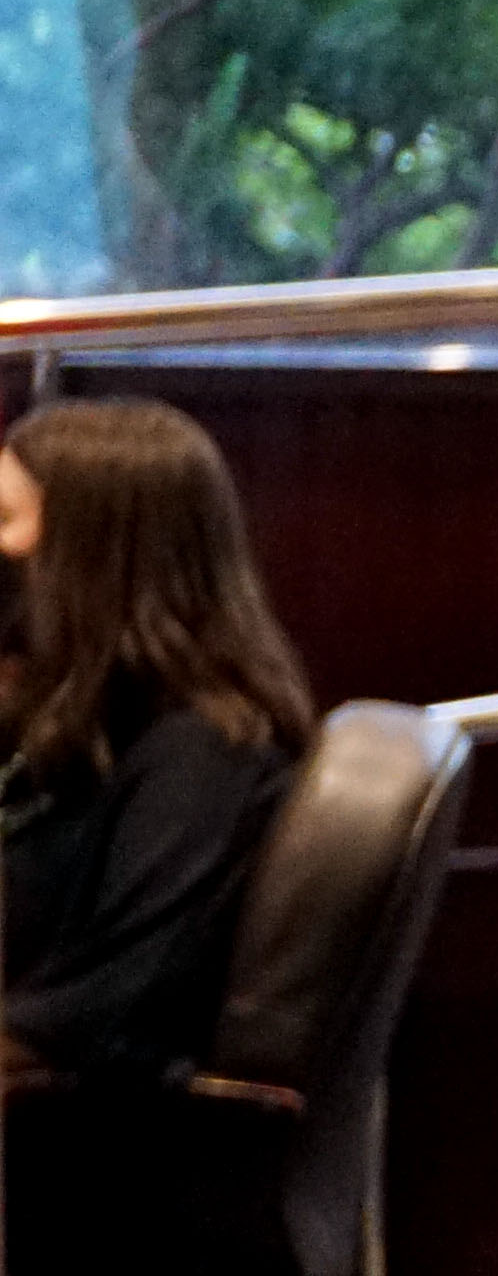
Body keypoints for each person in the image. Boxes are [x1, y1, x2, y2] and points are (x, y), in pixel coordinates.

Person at [0, 398, 314, 1088]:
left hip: (71, 1147)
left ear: (88, 554)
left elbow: (95, 1016)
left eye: (3, 520)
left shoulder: (205, 756)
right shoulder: (76, 717)